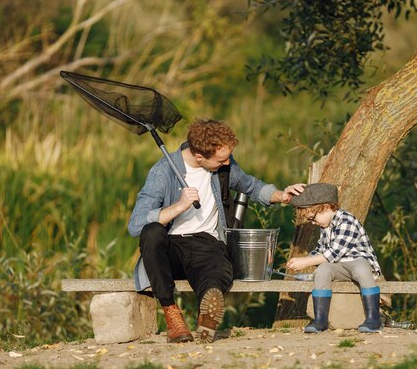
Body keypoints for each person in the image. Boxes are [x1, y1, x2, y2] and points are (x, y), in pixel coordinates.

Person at [128, 118, 304, 344]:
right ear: (199, 156)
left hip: (207, 244)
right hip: (169, 249)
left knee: (217, 272)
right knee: (151, 232)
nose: (227, 162)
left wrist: (282, 195)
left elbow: (252, 186)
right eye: (221, 159)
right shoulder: (163, 171)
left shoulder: (224, 167)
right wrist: (178, 206)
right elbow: (136, 224)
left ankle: (207, 316)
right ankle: (172, 313)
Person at [286, 183, 383, 333]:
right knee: (323, 270)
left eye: (312, 218)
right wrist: (305, 259)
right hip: (340, 267)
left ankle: (373, 318)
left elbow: (333, 253)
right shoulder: (325, 227)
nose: (312, 222)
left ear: (326, 207)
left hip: (358, 262)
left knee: (361, 268)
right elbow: (321, 250)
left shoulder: (347, 221)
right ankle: (320, 319)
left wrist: (305, 262)